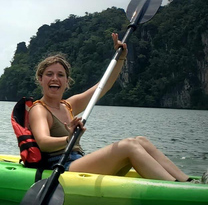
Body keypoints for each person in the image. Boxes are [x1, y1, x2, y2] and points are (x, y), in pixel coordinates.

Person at [28, 33, 207, 183]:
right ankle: (175, 188)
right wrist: (69, 138)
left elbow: (103, 86)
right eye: (49, 74)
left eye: (60, 75)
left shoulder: (68, 104)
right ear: (40, 79)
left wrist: (121, 56)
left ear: (67, 81)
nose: (55, 79)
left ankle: (188, 182)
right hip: (61, 166)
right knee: (128, 146)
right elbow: (43, 142)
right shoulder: (39, 110)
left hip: (78, 160)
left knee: (141, 140)